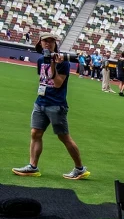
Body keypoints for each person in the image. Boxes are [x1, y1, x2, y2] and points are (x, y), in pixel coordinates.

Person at [12, 33, 89, 180]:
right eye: (45, 41)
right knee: (35, 133)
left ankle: (79, 168)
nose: (48, 44)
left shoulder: (63, 62)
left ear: (55, 44)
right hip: (41, 101)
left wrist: (53, 63)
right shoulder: (41, 60)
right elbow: (43, 79)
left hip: (56, 104)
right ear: (40, 43)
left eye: (51, 41)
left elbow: (58, 83)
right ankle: (32, 167)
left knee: (63, 136)